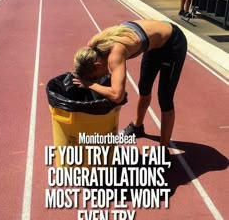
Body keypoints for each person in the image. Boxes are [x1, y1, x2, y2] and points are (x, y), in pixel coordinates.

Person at [73, 19, 187, 157]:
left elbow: (117, 95)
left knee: (165, 97)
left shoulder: (115, 54)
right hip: (154, 44)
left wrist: (90, 84)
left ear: (97, 65)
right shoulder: (91, 47)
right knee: (144, 89)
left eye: (94, 76)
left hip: (172, 42)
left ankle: (163, 150)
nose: (96, 79)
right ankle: (138, 127)